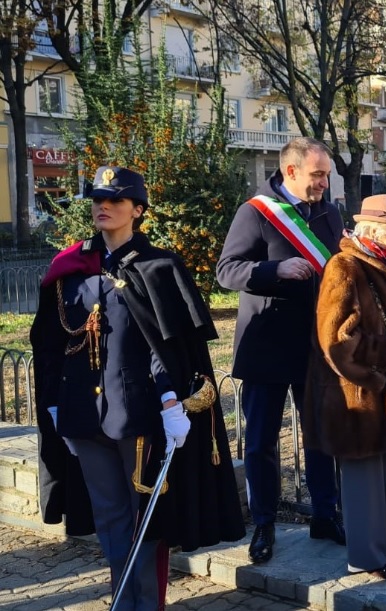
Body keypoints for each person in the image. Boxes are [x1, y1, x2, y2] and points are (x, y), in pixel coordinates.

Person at [31, 166, 245, 610]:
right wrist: (52, 404)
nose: (103, 207)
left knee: (145, 521)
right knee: (109, 518)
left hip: (138, 414)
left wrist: (170, 400)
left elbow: (165, 344)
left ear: (138, 210)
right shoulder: (70, 269)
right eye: (97, 200)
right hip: (82, 416)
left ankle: (147, 605)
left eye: (115, 200)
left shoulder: (159, 266)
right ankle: (123, 599)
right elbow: (50, 344)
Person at [216, 137, 344, 564]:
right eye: (318, 175)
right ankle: (264, 525)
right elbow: (227, 270)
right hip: (267, 347)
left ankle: (325, 515)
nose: (324, 182)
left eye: (326, 174)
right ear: (290, 172)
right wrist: (274, 269)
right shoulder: (255, 213)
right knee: (261, 442)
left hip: (314, 345)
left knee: (321, 436)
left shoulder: (329, 212)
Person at [302, 194, 386, 580]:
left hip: (383, 387)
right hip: (354, 393)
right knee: (362, 476)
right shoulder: (344, 267)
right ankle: (366, 557)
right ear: (373, 229)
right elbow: (336, 342)